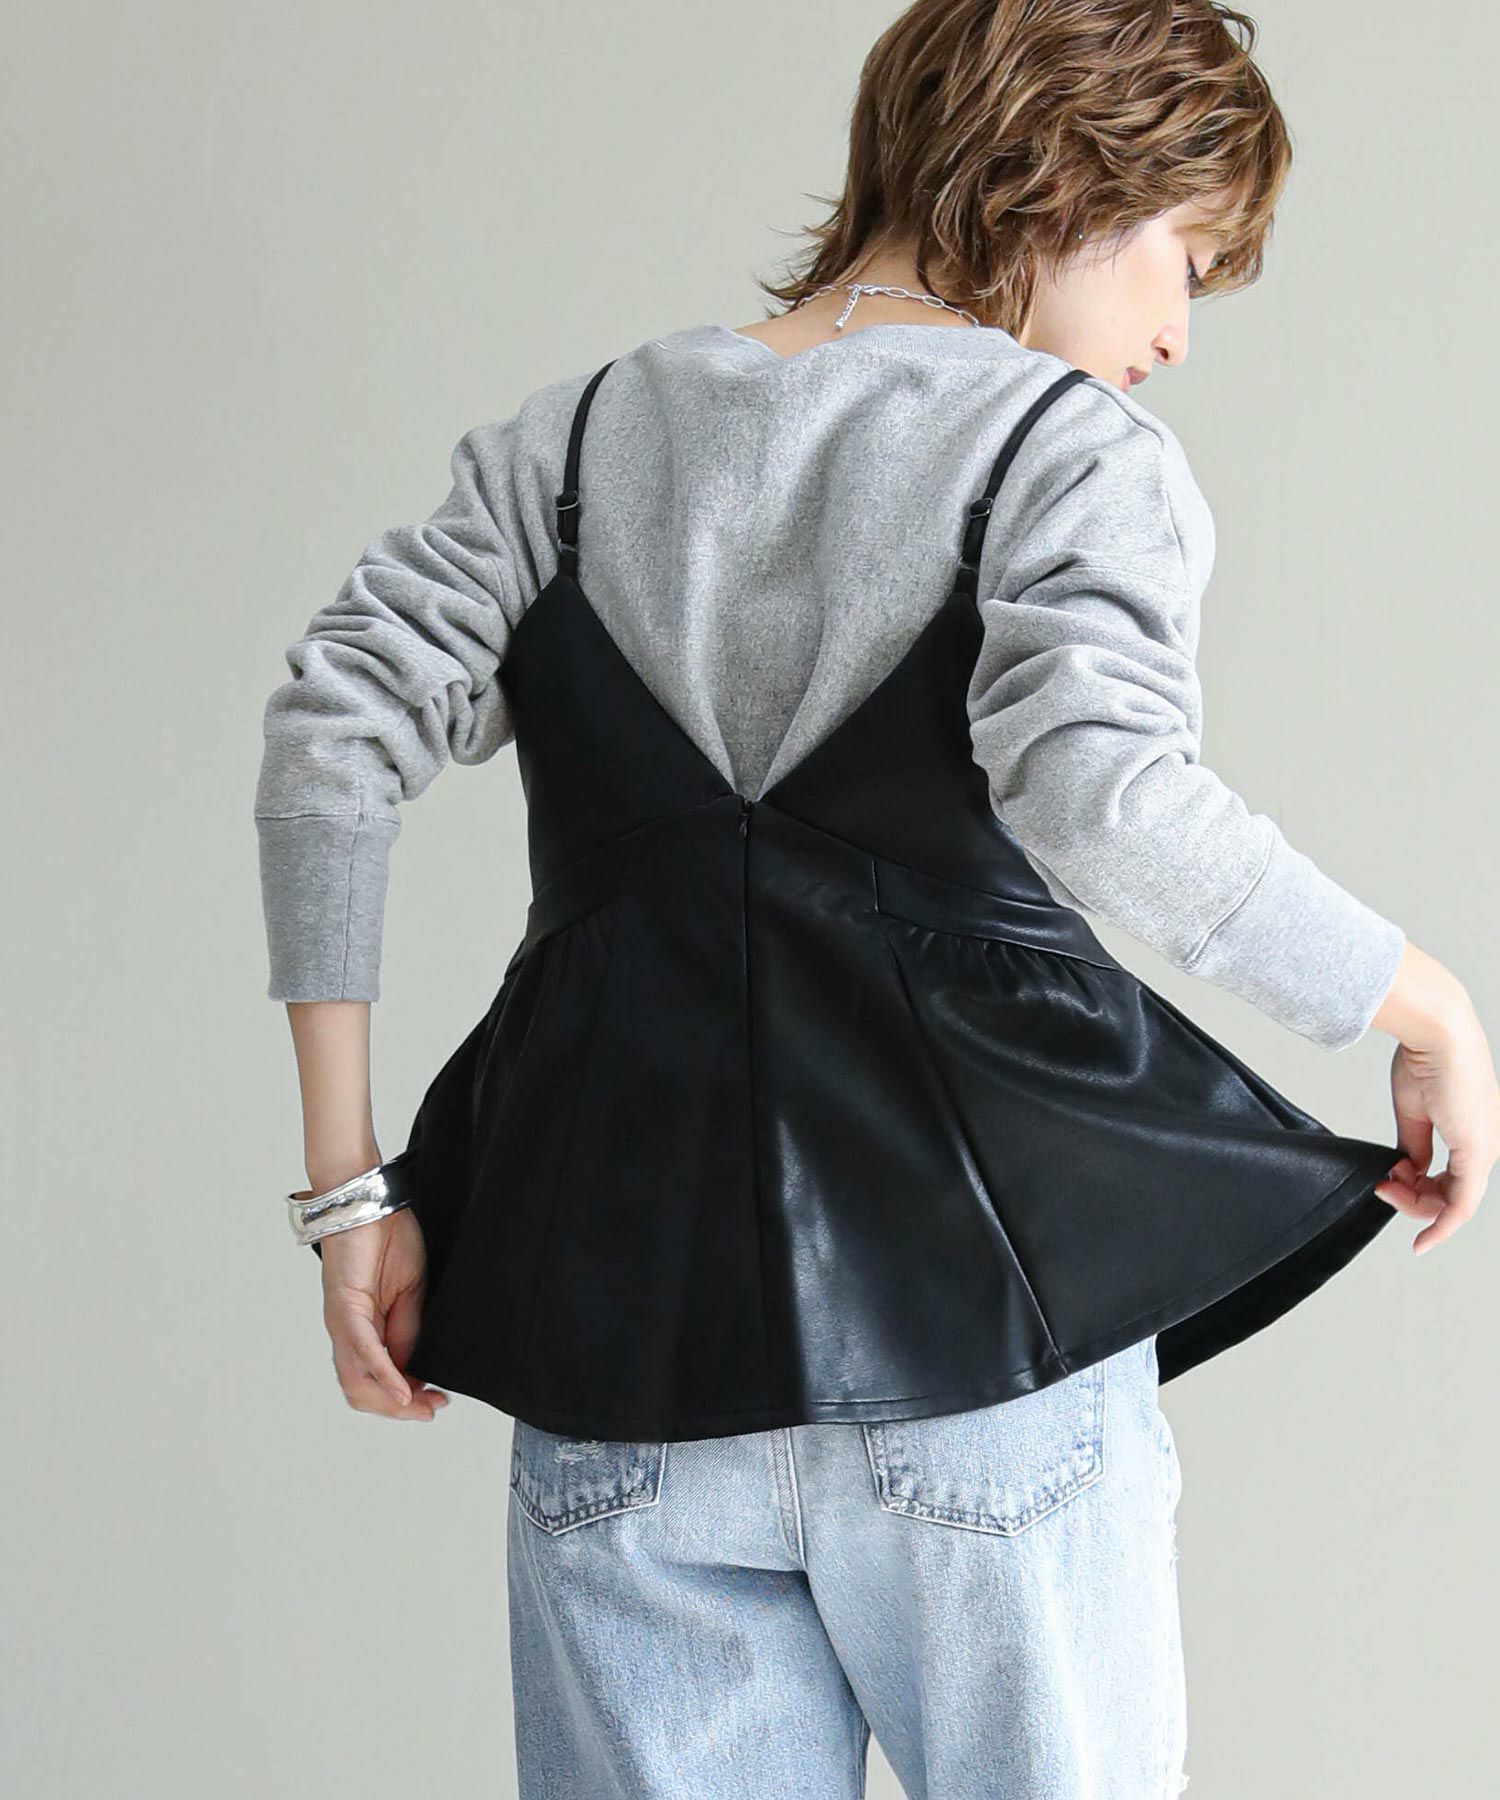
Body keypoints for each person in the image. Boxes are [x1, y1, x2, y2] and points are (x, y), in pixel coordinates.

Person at [255, 1, 1497, 1792]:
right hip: (981, 1366)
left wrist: (352, 1195)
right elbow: (1100, 790)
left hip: (626, 1377)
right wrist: (1421, 996)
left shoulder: (578, 444)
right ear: (1071, 175)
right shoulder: (1069, 451)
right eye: (1185, 258)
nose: (1174, 332)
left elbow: (331, 739)